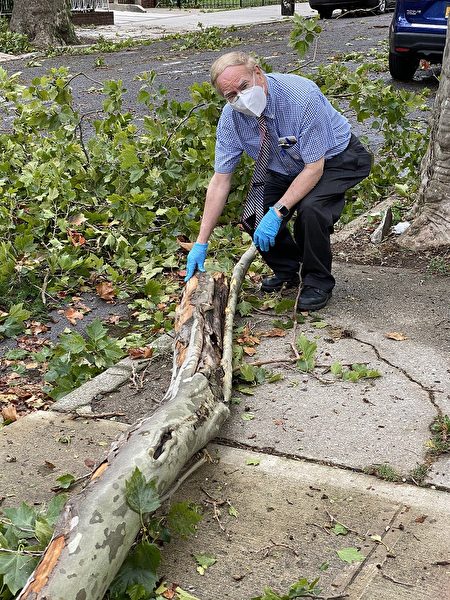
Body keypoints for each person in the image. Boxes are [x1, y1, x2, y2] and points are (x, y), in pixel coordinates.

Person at [184, 51, 372, 311]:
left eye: (244, 87)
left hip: (335, 159)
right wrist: (201, 242)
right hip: (285, 166)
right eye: (231, 95)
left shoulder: (301, 97)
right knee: (254, 215)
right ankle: (290, 269)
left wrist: (279, 211)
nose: (240, 98)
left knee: (312, 211)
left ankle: (318, 281)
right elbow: (220, 180)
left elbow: (314, 168)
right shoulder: (231, 119)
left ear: (258, 73)